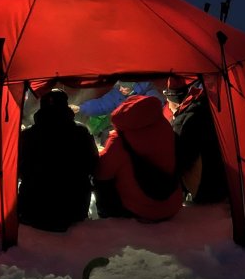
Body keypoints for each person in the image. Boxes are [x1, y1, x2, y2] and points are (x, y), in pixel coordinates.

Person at [18, 89, 99, 232]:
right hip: (74, 210)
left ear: (41, 106)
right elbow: (93, 165)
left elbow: (17, 170)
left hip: (33, 210)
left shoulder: (27, 135)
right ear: (66, 106)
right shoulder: (81, 132)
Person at [94, 94, 182, 222]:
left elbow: (102, 172)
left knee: (102, 180)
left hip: (142, 210)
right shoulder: (165, 126)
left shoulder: (119, 140)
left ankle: (108, 217)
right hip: (172, 204)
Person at [166, 75, 228, 205]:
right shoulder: (204, 105)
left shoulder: (183, 122)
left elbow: (180, 161)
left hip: (207, 189)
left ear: (173, 101)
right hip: (224, 179)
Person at [74, 78, 163, 144]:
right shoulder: (118, 93)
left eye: (124, 87)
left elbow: (149, 119)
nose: (120, 89)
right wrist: (80, 108)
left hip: (143, 134)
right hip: (125, 129)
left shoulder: (151, 96)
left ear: (134, 86)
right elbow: (102, 104)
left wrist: (125, 130)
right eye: (120, 86)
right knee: (106, 135)